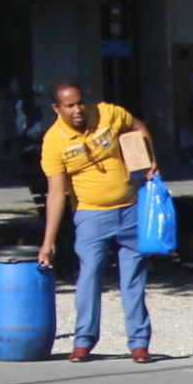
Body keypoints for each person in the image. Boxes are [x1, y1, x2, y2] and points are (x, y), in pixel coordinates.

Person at [36, 79, 157, 363]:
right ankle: (83, 342)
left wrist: (149, 160)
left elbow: (137, 127)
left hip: (130, 208)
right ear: (56, 108)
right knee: (89, 276)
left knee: (133, 279)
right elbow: (55, 195)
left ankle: (139, 344)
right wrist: (48, 242)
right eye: (70, 105)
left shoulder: (107, 113)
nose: (78, 109)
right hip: (91, 216)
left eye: (80, 102)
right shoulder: (53, 142)